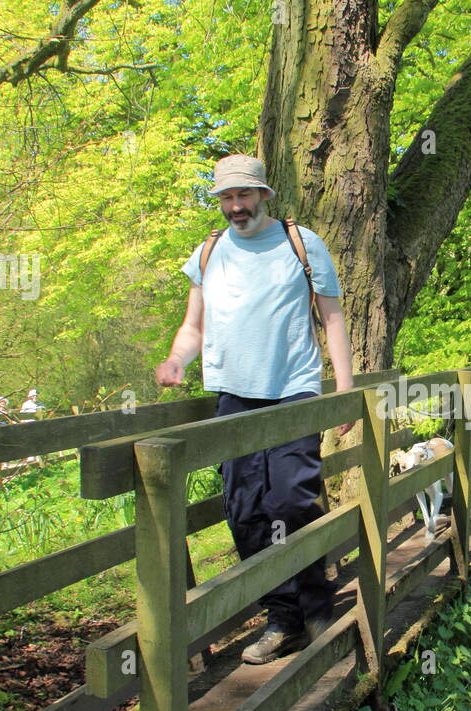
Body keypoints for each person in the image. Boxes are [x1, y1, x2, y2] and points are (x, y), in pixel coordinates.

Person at [155, 154, 355, 665]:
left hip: (293, 390)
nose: (236, 206)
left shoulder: (301, 243)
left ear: (264, 195)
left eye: (244, 195)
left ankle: (315, 609)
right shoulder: (208, 254)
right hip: (234, 395)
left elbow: (331, 317)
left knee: (290, 501)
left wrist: (344, 390)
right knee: (244, 510)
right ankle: (282, 619)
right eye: (227, 197)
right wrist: (177, 358)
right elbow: (193, 326)